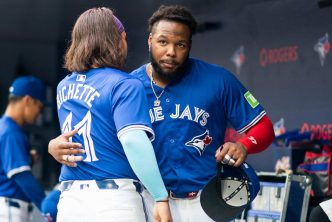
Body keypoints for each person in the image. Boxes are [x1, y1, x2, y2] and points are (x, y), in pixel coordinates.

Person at [49, 5, 275, 222]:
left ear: (190, 45)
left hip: (206, 200)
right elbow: (102, 132)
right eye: (163, 42)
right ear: (149, 41)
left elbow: (263, 127)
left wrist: (244, 145)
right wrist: (55, 145)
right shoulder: (129, 83)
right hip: (152, 200)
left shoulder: (218, 80)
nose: (171, 52)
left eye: (181, 44)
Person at [51, 7, 171, 222]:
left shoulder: (64, 86)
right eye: (123, 37)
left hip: (70, 200)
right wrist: (160, 196)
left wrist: (52, 146)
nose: (125, 43)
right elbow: (133, 141)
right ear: (115, 40)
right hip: (113, 200)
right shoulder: (124, 84)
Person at [0, 76, 47, 222]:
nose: (39, 113)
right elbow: (21, 176)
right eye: (39, 106)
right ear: (27, 100)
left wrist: (26, 159)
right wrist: (47, 207)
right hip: (9, 207)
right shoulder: (11, 131)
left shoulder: (4, 127)